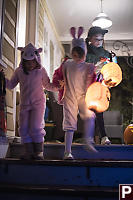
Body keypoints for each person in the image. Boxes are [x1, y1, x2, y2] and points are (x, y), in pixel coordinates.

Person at [6, 43, 58, 160]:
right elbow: (11, 84)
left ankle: (39, 152)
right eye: (27, 62)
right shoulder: (19, 71)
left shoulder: (41, 71)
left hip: (38, 103)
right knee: (23, 128)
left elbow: (47, 85)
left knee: (35, 127)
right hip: (25, 105)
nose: (30, 65)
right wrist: (3, 80)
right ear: (23, 61)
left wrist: (57, 87)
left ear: (36, 60)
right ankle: (28, 152)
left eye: (32, 62)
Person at [53, 27, 97, 160]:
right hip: (70, 96)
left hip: (84, 97)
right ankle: (67, 151)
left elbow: (95, 81)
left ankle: (88, 140)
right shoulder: (66, 64)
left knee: (90, 116)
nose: (77, 57)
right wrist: (58, 82)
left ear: (85, 53)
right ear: (72, 53)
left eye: (80, 54)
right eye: (75, 54)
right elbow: (57, 75)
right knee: (69, 123)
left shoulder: (88, 66)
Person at [85, 26, 115, 145]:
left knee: (99, 112)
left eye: (101, 39)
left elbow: (112, 70)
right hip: (88, 86)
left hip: (101, 86)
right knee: (92, 113)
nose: (99, 42)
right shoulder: (85, 52)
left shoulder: (107, 54)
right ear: (90, 39)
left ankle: (100, 137)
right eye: (96, 39)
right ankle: (98, 137)